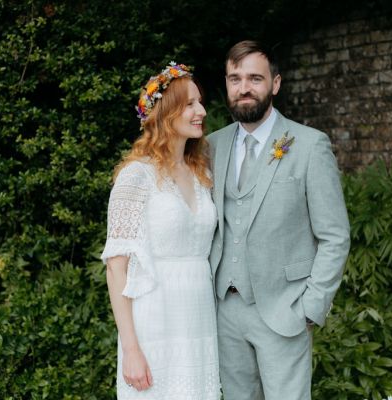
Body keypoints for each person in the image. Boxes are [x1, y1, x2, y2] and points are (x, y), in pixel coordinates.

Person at [207, 40, 350, 400]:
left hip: (284, 311)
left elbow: (335, 236)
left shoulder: (308, 144)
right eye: (234, 78)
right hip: (224, 309)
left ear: (276, 83)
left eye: (255, 78)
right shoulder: (212, 146)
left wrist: (311, 306)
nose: (244, 88)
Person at [101, 62, 220, 399]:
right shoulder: (135, 176)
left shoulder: (202, 174)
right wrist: (131, 349)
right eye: (190, 104)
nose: (201, 111)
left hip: (197, 318)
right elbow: (116, 267)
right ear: (166, 113)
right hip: (154, 321)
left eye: (200, 101)